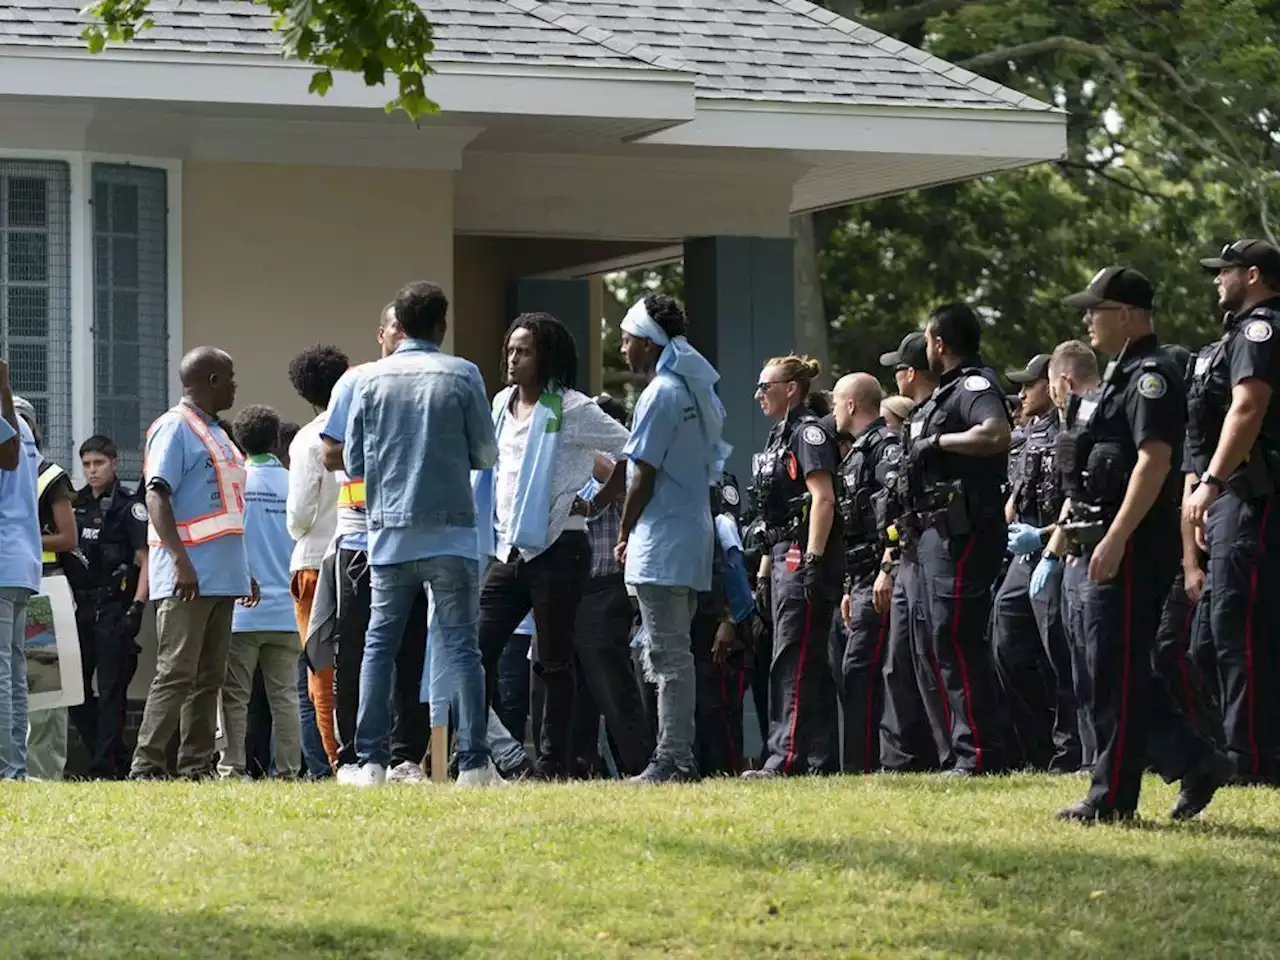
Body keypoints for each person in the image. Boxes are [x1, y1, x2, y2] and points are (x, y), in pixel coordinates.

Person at [1046, 266, 1230, 822]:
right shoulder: (1122, 375)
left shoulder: (1152, 375)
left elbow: (1154, 462)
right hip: (1104, 537)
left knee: (1113, 675)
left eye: (1095, 310)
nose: (1087, 320)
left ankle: (1112, 799)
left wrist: (1118, 538)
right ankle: (1196, 761)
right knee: (1117, 671)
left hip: (1132, 545)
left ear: (1125, 314)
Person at [345, 280, 502, 787]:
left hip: (389, 531)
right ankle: (475, 764)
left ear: (398, 326)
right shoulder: (463, 374)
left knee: (380, 646)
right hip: (452, 532)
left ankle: (370, 762)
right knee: (462, 648)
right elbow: (486, 453)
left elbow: (352, 462)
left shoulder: (368, 380)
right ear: (441, 325)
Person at [473, 313, 631, 779]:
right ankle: (485, 756)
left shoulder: (573, 408)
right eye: (510, 349)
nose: (512, 358)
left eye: (523, 351)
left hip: (561, 550)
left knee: (553, 663)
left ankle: (551, 764)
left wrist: (598, 498)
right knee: (474, 651)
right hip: (509, 552)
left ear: (546, 357)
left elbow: (632, 448)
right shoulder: (501, 403)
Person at [130, 347, 257, 780]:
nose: (236, 385)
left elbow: (228, 510)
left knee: (209, 678)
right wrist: (181, 561)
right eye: (231, 377)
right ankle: (146, 766)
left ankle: (195, 766)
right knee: (176, 673)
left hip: (222, 576)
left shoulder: (219, 433)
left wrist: (245, 570)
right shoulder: (175, 427)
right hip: (188, 576)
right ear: (213, 381)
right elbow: (156, 495)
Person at [617, 294, 727, 784]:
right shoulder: (690, 389)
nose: (622, 350)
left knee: (667, 655)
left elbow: (641, 474)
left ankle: (673, 758)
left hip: (662, 541)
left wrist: (622, 531)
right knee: (674, 652)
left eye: (626, 340)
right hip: (687, 536)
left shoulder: (661, 393)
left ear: (647, 341)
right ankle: (676, 755)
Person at [320, 307, 432, 785]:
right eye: (394, 326)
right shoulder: (357, 381)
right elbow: (330, 452)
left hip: (418, 536)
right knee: (359, 649)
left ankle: (408, 757)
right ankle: (355, 757)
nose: (400, 334)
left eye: (409, 326)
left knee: (414, 649)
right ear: (382, 333)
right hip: (362, 539)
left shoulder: (435, 381)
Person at [1183, 240, 1280, 784]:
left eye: (1224, 272)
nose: (1216, 281)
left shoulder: (1260, 330)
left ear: (1253, 275)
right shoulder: (1234, 337)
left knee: (1240, 630)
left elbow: (1248, 407)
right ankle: (1227, 749)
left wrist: (1213, 482)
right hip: (1233, 501)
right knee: (1209, 637)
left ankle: (1252, 761)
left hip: (1254, 497)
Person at [905, 303, 1013, 776]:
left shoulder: (973, 386)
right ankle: (964, 749)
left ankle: (982, 753)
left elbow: (995, 434)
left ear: (940, 342)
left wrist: (939, 443)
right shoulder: (943, 395)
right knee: (939, 640)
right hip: (938, 533)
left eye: (928, 340)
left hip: (968, 530)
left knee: (955, 637)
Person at [744, 354, 842, 778]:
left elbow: (823, 498)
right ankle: (816, 759)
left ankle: (785, 757)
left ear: (791, 389)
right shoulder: (777, 436)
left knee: (793, 657)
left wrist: (815, 560)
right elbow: (773, 513)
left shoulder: (808, 434)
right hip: (782, 552)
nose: (759, 395)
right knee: (800, 658)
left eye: (766, 387)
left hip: (802, 555)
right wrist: (766, 571)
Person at [992, 353, 1081, 773]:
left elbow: (1073, 496)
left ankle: (1071, 750)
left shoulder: (1068, 429)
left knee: (1060, 653)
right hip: (1023, 553)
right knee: (1005, 647)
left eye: (1030, 384)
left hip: (1056, 548)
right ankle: (1038, 746)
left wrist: (1049, 545)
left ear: (1050, 384)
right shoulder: (1024, 436)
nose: (1023, 393)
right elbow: (1016, 493)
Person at [564, 393, 654, 776]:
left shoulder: (624, 469)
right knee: (575, 692)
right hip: (568, 590)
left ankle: (641, 765)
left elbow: (606, 488)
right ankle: (581, 766)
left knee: (614, 689)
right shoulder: (579, 465)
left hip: (604, 588)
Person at [876, 332, 952, 772]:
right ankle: (905, 759)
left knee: (935, 652)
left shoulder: (936, 415)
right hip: (906, 550)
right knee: (903, 661)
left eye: (898, 369)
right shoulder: (919, 421)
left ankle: (955, 753)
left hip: (933, 546)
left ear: (909, 372)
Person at [218, 405, 302, 779]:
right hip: (286, 609)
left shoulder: (235, 482)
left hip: (241, 609)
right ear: (276, 440)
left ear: (239, 442)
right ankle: (288, 770)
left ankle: (232, 768)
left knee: (235, 697)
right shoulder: (293, 482)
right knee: (285, 696)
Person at [1037, 340, 1104, 770]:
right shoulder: (1078, 416)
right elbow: (1072, 495)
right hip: (1077, 548)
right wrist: (1053, 548)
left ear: (1063, 381)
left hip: (1101, 548)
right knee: (1080, 660)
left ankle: (1104, 756)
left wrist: (1049, 550)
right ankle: (1090, 757)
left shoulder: (1096, 414)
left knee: (1097, 662)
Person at [68, 435, 149, 779]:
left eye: (98, 463)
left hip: (115, 608)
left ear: (114, 463)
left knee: (113, 690)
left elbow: (146, 560)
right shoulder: (76, 503)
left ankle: (104, 768)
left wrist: (137, 607)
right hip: (81, 608)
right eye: (86, 465)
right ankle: (114, 754)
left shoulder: (128, 506)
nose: (92, 471)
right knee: (76, 690)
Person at [286, 344, 349, 770]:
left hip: (313, 560)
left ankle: (334, 757)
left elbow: (300, 513)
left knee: (320, 668)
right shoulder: (363, 425)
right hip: (358, 554)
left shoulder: (309, 437)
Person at [832, 373, 897, 774]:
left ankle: (865, 767)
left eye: (838, 402)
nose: (835, 410)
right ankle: (858, 766)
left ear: (852, 405)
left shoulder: (885, 447)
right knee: (852, 671)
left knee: (861, 669)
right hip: (856, 578)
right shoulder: (856, 453)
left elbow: (895, 511)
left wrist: (887, 565)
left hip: (878, 574)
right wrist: (845, 587)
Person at [14, 396, 79, 780]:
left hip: (44, 587)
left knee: (46, 693)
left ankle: (43, 774)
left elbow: (68, 538)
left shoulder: (47, 474)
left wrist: (19, 539)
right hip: (16, 584)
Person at [0, 357, 38, 780]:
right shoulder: (24, 428)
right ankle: (15, 767)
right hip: (22, 562)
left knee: (4, 672)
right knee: (11, 670)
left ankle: (8, 770)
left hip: (3, 560)